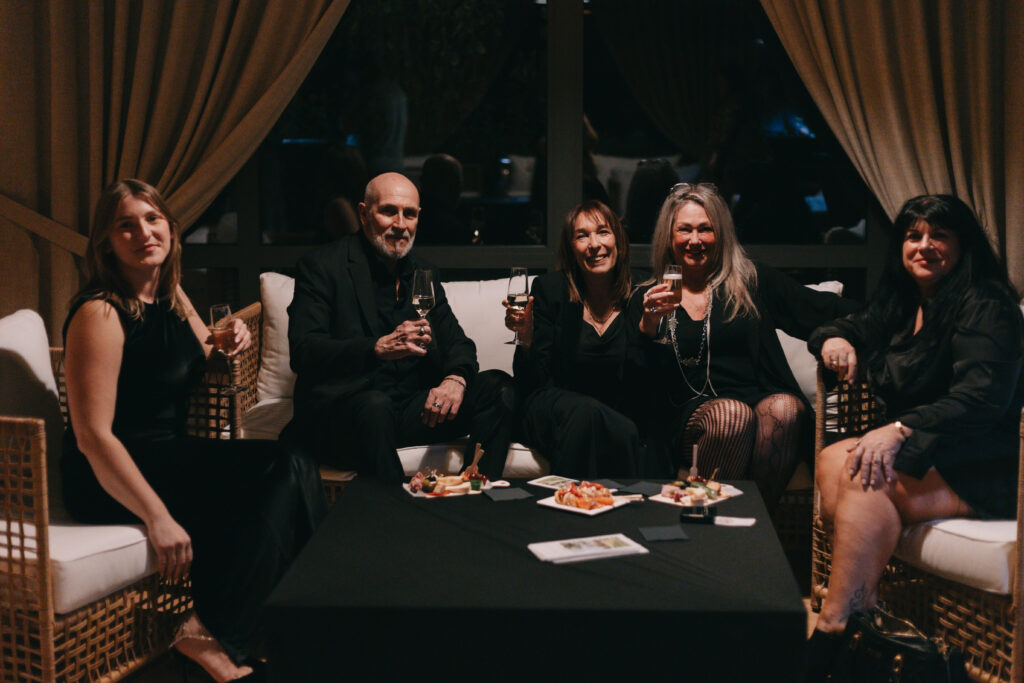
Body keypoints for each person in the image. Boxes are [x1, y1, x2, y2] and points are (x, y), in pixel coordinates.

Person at [62, 179, 327, 682]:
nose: (144, 233)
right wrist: (157, 517)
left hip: (166, 453)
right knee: (274, 468)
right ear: (106, 243)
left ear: (170, 227)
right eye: (126, 225)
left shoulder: (169, 294)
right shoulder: (100, 312)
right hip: (109, 472)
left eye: (152, 219)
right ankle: (210, 636)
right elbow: (92, 437)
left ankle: (304, 619)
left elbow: (200, 349)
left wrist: (230, 338)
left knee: (293, 458)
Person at [801, 195, 1024, 679]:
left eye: (938, 235)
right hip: (935, 448)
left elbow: (983, 398)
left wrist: (902, 429)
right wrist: (835, 339)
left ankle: (836, 626)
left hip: (986, 461)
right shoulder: (905, 302)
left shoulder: (986, 304)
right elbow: (848, 324)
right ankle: (866, 608)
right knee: (833, 459)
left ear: (962, 245)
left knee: (864, 476)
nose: (924, 246)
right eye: (913, 235)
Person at [284, 172, 516, 482]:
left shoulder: (422, 273)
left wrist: (455, 379)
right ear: (364, 213)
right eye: (389, 211)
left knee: (499, 387)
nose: (400, 224)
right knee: (375, 406)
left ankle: (473, 492)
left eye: (409, 214)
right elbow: (304, 351)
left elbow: (458, 343)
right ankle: (396, 506)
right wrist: (376, 348)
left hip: (411, 410)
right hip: (347, 413)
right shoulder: (323, 267)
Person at [639, 182, 857, 507]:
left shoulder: (752, 282)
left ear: (721, 234)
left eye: (705, 229)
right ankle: (715, 525)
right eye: (685, 229)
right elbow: (635, 373)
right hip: (688, 417)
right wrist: (648, 325)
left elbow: (827, 310)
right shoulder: (650, 295)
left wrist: (839, 334)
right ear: (669, 237)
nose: (695, 240)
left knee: (785, 408)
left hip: (758, 404)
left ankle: (750, 522)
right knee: (731, 415)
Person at [505, 200, 647, 477]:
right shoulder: (550, 290)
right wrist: (526, 338)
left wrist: (649, 330)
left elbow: (646, 382)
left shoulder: (642, 292)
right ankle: (570, 501)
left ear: (618, 240)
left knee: (616, 424)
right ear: (571, 248)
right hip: (555, 411)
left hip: (614, 417)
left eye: (603, 232)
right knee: (588, 414)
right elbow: (532, 383)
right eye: (582, 236)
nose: (594, 244)